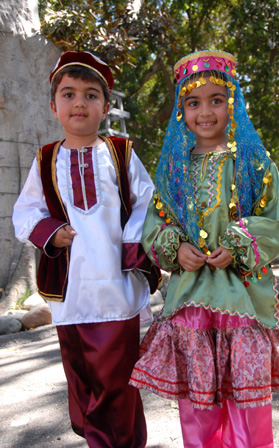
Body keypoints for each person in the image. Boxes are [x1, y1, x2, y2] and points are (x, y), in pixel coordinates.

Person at [129, 50, 279, 448]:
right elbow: (156, 224)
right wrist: (177, 247)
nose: (205, 112)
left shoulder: (255, 164)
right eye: (193, 102)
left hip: (244, 301)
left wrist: (238, 243)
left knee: (248, 410)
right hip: (191, 303)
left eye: (216, 100)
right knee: (198, 409)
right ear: (181, 110)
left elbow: (276, 220)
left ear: (233, 104)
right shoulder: (173, 170)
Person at [13, 50, 161, 448]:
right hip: (70, 291)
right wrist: (51, 230)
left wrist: (132, 246)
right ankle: (109, 437)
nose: (80, 102)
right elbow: (25, 212)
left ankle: (114, 441)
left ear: (106, 106)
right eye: (69, 94)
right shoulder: (45, 160)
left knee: (116, 380)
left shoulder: (120, 153)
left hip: (116, 286)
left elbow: (148, 204)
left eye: (91, 95)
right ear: (53, 106)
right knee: (82, 379)